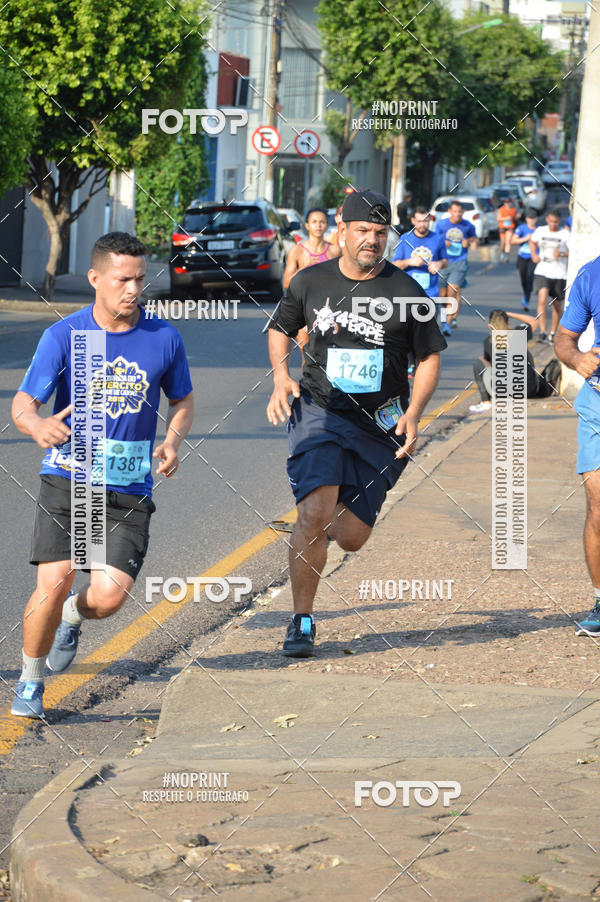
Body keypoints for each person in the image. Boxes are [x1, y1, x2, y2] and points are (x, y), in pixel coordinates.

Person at [10, 232, 194, 717]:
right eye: (122, 280)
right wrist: (37, 424)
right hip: (71, 477)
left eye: (139, 279)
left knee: (109, 599)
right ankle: (30, 681)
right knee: (52, 583)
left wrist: (172, 441)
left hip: (129, 487)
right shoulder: (67, 336)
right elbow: (23, 404)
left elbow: (183, 400)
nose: (133, 289)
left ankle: (73, 615)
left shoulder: (163, 338)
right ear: (95, 279)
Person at [266, 189, 446, 657]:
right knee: (314, 513)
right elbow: (279, 328)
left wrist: (415, 413)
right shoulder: (311, 282)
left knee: (351, 537)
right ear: (341, 231)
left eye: (381, 233)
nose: (372, 240)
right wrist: (281, 376)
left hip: (380, 425)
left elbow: (429, 357)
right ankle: (302, 619)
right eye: (363, 231)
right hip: (320, 412)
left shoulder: (407, 292)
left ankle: (318, 530)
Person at [555, 255, 600, 635]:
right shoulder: (592, 273)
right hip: (598, 402)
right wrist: (576, 358)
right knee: (599, 502)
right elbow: (564, 339)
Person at [392, 206, 448, 375]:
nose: (423, 224)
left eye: (426, 220)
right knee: (407, 329)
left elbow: (446, 261)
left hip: (430, 293)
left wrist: (439, 264)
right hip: (409, 292)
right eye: (419, 220)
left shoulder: (437, 239)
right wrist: (410, 262)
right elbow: (395, 264)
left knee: (425, 332)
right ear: (413, 221)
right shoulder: (405, 238)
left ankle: (421, 362)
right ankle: (411, 361)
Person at [283, 208, 340, 364]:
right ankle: (308, 387)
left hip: (328, 309)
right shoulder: (297, 251)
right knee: (306, 353)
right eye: (314, 222)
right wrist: (304, 271)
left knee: (328, 353)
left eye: (322, 222)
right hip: (305, 307)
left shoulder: (334, 251)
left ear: (327, 225)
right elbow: (286, 282)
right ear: (307, 225)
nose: (318, 226)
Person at [469, 308, 539, 414]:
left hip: (505, 393)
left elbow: (489, 367)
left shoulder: (488, 342)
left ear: (490, 325)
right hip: (529, 390)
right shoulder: (518, 332)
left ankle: (486, 402)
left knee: (479, 362)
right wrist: (509, 313)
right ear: (508, 322)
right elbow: (534, 321)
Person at [436, 200, 478, 334]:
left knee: (454, 290)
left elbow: (475, 239)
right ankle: (446, 317)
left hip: (460, 262)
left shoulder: (467, 225)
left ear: (463, 212)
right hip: (443, 262)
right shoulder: (441, 224)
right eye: (454, 211)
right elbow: (434, 240)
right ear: (449, 211)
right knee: (443, 295)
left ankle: (448, 323)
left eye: (460, 211)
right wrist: (444, 243)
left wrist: (469, 242)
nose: (457, 214)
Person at [529, 209, 570, 342]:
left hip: (559, 272)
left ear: (559, 221)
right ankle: (542, 331)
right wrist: (534, 254)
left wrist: (562, 254)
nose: (553, 224)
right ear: (547, 219)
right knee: (542, 299)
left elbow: (575, 252)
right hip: (543, 270)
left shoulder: (565, 234)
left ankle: (553, 332)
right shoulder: (541, 230)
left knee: (557, 305)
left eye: (556, 222)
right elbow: (532, 241)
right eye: (551, 221)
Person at [511, 210, 537, 311]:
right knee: (523, 279)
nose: (531, 221)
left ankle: (527, 300)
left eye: (533, 219)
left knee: (530, 278)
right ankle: (526, 293)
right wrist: (525, 239)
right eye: (529, 218)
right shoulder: (521, 228)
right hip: (522, 257)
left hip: (533, 257)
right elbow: (513, 240)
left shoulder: (539, 230)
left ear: (536, 219)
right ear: (526, 219)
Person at [497, 197, 518, 262]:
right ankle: (503, 251)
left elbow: (515, 217)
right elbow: (498, 218)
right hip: (502, 227)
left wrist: (518, 216)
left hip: (510, 227)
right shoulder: (501, 209)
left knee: (508, 241)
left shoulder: (513, 209)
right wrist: (506, 218)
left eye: (508, 202)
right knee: (503, 243)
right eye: (506, 203)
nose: (507, 204)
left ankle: (506, 256)